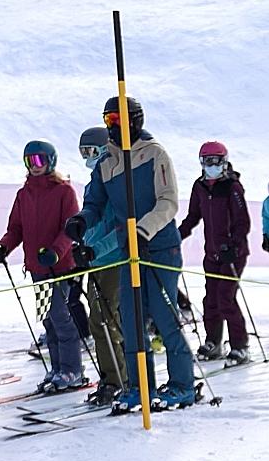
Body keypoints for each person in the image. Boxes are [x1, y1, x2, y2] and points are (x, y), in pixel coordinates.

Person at [65, 95, 195, 411]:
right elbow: (95, 203)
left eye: (119, 120)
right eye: (109, 120)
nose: (114, 126)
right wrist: (82, 221)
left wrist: (143, 230)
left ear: (136, 120)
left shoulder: (154, 153)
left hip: (159, 245)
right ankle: (139, 386)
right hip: (129, 251)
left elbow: (168, 201)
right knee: (132, 320)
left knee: (164, 316)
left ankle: (182, 385)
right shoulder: (108, 160)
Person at [0, 140, 86, 394]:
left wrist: (56, 252)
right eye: (29, 161)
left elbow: (70, 229)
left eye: (39, 160)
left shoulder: (63, 191)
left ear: (50, 161)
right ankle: (58, 368)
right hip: (37, 267)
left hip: (58, 266)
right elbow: (16, 229)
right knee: (48, 319)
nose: (34, 166)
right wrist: (4, 247)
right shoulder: (24, 194)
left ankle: (72, 369)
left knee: (60, 317)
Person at [178, 140, 252, 364]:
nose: (211, 166)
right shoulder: (200, 186)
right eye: (207, 161)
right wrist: (176, 236)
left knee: (225, 298)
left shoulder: (232, 187)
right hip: (211, 254)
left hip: (233, 254)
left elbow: (243, 222)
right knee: (210, 299)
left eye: (216, 161)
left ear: (224, 162)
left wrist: (233, 244)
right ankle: (214, 342)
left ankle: (240, 346)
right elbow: (193, 216)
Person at [72, 126, 127, 406]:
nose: (87, 157)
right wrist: (81, 243)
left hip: (113, 259)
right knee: (99, 320)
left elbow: (115, 226)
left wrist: (95, 248)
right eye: (83, 152)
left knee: (106, 319)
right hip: (97, 259)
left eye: (92, 151)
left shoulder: (115, 181)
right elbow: (94, 222)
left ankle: (118, 380)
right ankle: (112, 378)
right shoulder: (93, 183)